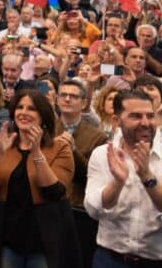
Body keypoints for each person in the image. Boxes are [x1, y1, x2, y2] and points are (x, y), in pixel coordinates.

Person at [0, 90, 80, 268]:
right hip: (7, 237)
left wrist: (36, 152)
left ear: (43, 116)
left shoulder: (59, 148)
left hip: (44, 238)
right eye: (19, 107)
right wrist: (0, 152)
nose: (23, 112)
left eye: (31, 108)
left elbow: (55, 191)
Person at [84, 89, 162, 267]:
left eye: (150, 116)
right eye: (135, 116)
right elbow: (93, 210)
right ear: (116, 121)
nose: (145, 123)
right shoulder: (102, 155)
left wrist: (147, 177)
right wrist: (117, 182)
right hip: (110, 259)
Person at [58, 79, 109, 268]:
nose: (68, 99)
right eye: (63, 95)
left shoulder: (97, 136)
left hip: (78, 210)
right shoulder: (45, 129)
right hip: (48, 207)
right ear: (57, 99)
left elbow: (91, 175)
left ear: (84, 102)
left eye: (73, 96)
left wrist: (73, 150)